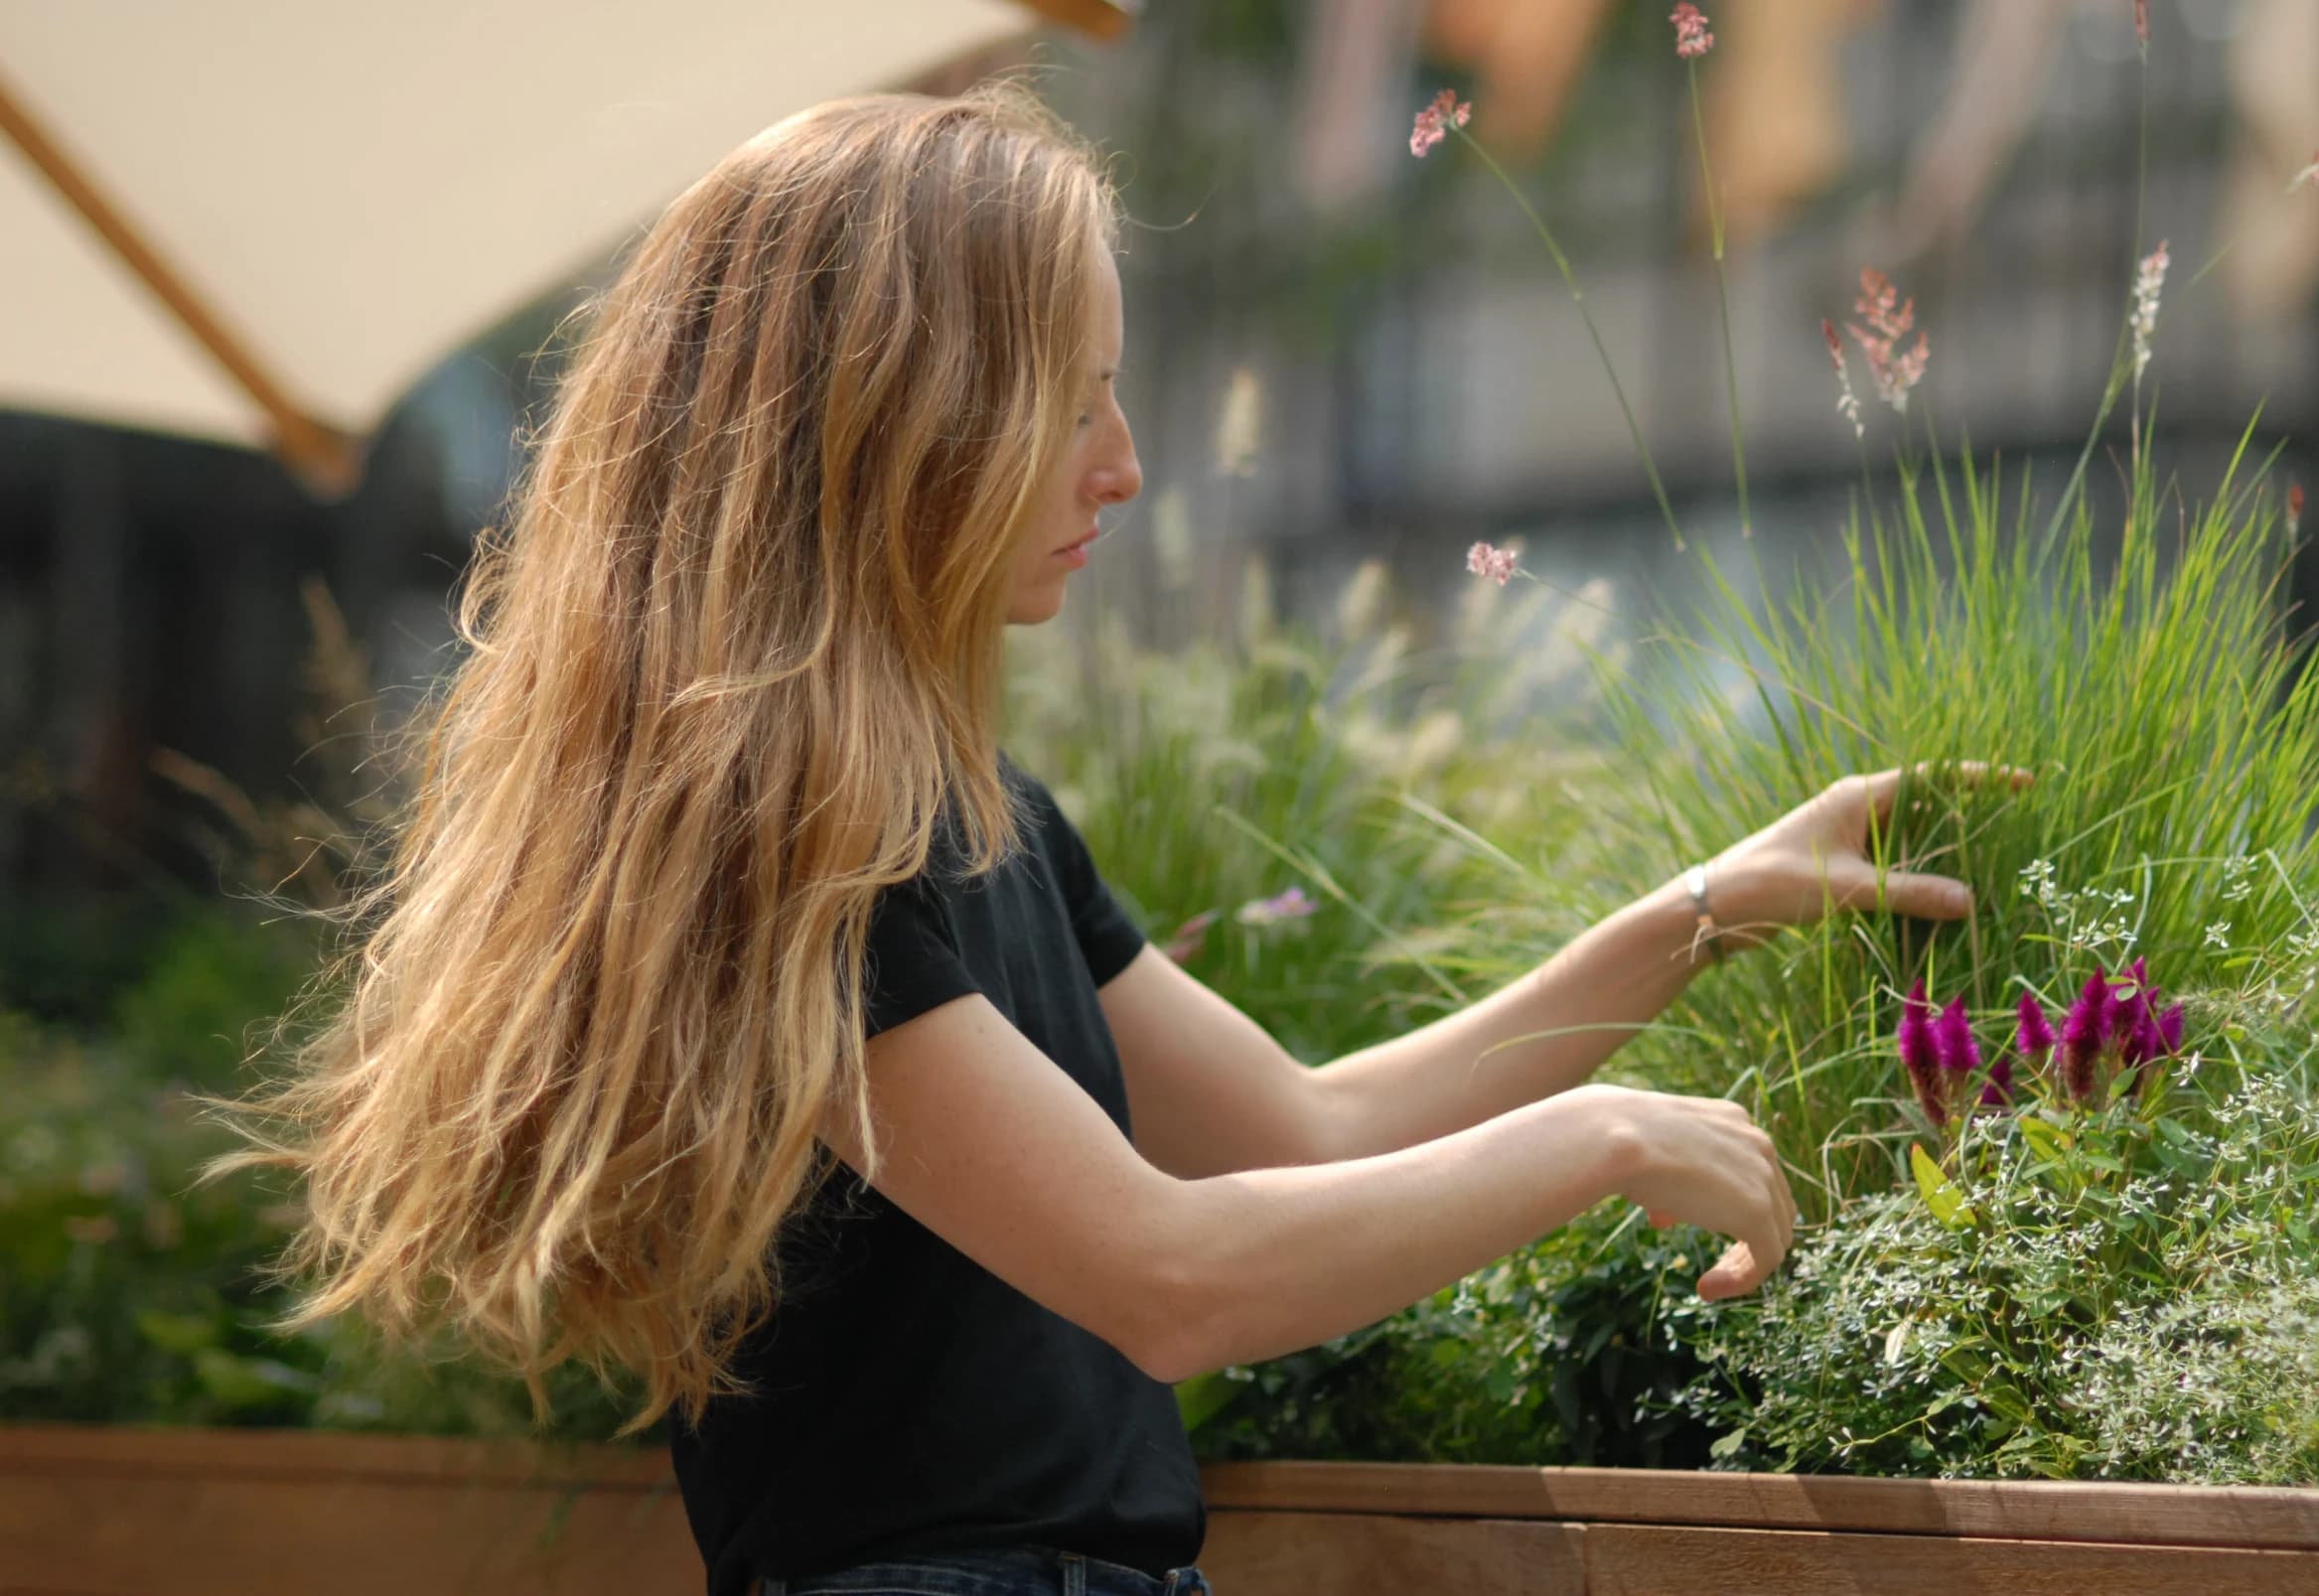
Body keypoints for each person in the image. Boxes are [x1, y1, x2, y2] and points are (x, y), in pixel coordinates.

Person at [201, 77, 2004, 1596]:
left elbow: (1305, 1129)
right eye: (1074, 399)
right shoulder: (772, 851)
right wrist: (1604, 1139)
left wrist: (1704, 911)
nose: (1126, 465)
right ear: (898, 421)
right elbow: (1169, 1278)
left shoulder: (987, 827)